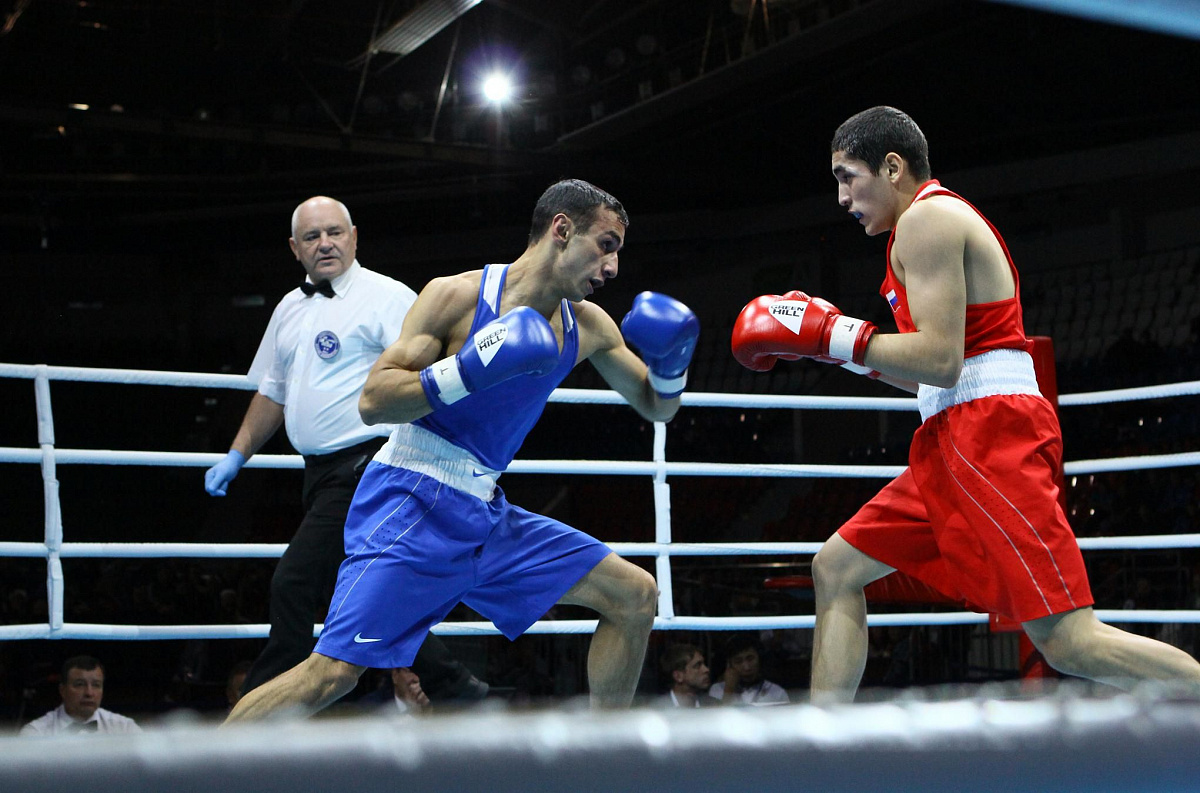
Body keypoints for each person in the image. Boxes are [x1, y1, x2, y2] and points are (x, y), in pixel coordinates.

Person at [731, 106, 1200, 702]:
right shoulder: (918, 227)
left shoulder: (928, 219)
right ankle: (824, 743)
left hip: (990, 435)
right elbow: (930, 378)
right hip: (953, 433)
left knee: (1067, 640)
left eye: (848, 176)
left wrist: (834, 334)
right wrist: (836, 351)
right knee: (836, 567)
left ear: (892, 167)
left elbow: (940, 360)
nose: (842, 197)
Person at [225, 178, 698, 722]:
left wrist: (672, 366)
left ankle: (602, 757)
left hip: (484, 511)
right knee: (332, 673)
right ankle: (196, 763)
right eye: (606, 245)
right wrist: (468, 369)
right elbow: (374, 401)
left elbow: (655, 405)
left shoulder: (588, 325)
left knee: (634, 595)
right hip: (411, 497)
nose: (612, 268)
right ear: (562, 229)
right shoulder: (456, 296)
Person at [205, 195, 482, 701]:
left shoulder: (386, 296)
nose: (325, 244)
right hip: (317, 473)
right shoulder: (288, 308)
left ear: (354, 237)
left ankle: (266, 707)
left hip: (368, 465)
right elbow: (273, 391)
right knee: (362, 591)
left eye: (334, 232)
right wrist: (237, 454)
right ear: (295, 248)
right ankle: (454, 683)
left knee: (293, 583)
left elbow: (430, 371)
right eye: (312, 236)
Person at [21, 656, 142, 736]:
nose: (89, 693)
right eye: (79, 684)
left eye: (96, 685)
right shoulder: (36, 733)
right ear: (62, 690)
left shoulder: (125, 728)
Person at [708, 634, 789, 705]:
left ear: (759, 658)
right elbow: (718, 717)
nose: (746, 667)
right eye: (738, 661)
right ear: (729, 665)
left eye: (750, 659)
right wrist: (728, 690)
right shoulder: (717, 690)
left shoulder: (777, 692)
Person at [660, 643, 717, 708]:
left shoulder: (715, 706)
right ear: (678, 676)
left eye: (704, 664)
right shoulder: (657, 710)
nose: (706, 669)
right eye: (697, 666)